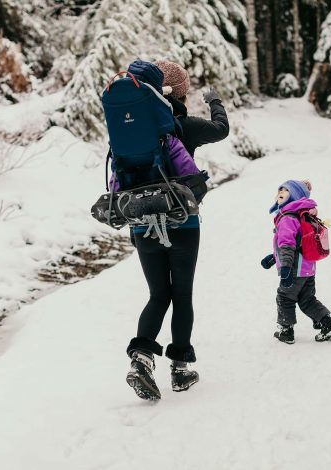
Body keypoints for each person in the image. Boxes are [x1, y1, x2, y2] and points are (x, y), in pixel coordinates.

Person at [121, 61, 204, 401]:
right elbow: (192, 179)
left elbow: (117, 187)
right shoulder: (168, 138)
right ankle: (181, 370)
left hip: (142, 229)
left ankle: (141, 360)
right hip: (182, 226)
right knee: (181, 295)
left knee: (158, 295)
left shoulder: (123, 142)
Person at [261, 180, 331, 344]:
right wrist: (273, 257)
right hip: (308, 268)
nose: (281, 192)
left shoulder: (287, 218)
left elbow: (287, 244)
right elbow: (294, 243)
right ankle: (328, 324)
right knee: (307, 300)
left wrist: (286, 268)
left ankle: (286, 331)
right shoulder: (300, 215)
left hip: (294, 269)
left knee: (284, 298)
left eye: (286, 190)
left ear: (295, 195)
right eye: (280, 189)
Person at [155, 60, 229, 157]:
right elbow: (222, 128)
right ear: (182, 95)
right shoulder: (185, 126)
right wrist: (215, 102)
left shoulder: (135, 121)